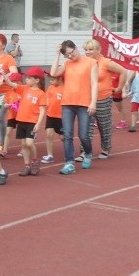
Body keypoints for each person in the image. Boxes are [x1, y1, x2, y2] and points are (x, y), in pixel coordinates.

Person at [49, 40, 98, 175]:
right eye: (67, 55)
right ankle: (69, 162)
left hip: (84, 103)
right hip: (68, 103)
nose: (70, 56)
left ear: (76, 48)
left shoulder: (91, 62)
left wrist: (93, 102)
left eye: (71, 53)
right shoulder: (67, 63)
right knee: (67, 135)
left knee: (83, 135)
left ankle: (87, 153)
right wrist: (57, 54)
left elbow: (94, 84)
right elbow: (53, 73)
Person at [83, 39, 127, 159]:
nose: (88, 52)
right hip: (87, 99)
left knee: (104, 125)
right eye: (86, 50)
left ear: (98, 50)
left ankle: (105, 149)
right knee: (86, 126)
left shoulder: (106, 62)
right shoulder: (85, 62)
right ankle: (85, 151)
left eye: (91, 49)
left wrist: (119, 88)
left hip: (103, 98)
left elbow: (123, 71)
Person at [2, 67, 47, 176]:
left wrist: (39, 123)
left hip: (32, 121)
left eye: (29, 78)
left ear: (37, 80)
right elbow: (11, 84)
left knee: (29, 143)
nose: (26, 79)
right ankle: (27, 165)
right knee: (24, 144)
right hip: (21, 120)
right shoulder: (25, 89)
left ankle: (35, 161)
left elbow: (42, 110)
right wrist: (4, 76)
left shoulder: (41, 94)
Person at [41, 73, 64, 163]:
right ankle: (50, 155)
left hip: (61, 117)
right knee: (48, 135)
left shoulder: (65, 89)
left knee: (63, 137)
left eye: (53, 80)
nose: (50, 82)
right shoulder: (51, 87)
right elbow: (47, 97)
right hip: (50, 115)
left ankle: (69, 150)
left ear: (60, 79)